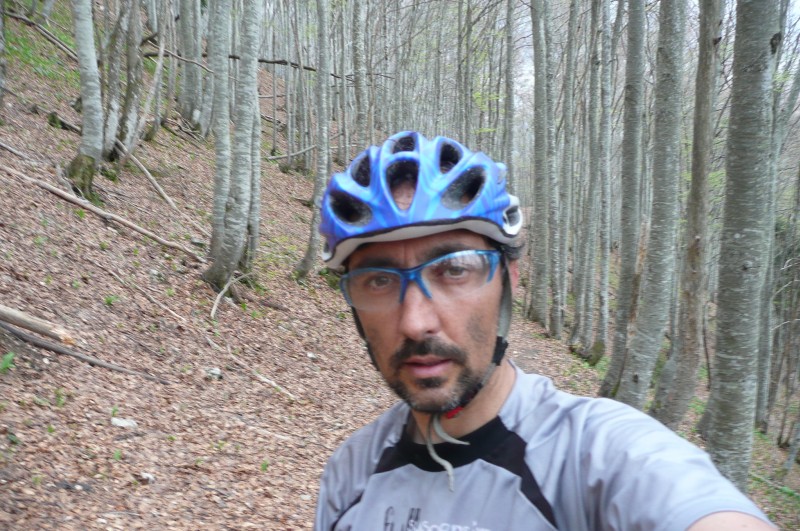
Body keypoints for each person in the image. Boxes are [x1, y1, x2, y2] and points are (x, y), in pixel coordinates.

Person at [314, 131, 774, 531]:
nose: (415, 322)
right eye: (378, 280)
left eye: (454, 269)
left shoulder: (599, 455)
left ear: (510, 280)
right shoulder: (350, 472)